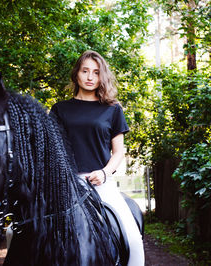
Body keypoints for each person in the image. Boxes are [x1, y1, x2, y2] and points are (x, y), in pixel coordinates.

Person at [50, 50, 145, 266]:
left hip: (102, 185)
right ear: (76, 75)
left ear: (102, 76)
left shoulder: (112, 110)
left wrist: (104, 172)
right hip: (65, 186)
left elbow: (119, 152)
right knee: (17, 232)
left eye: (95, 72)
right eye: (85, 71)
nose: (90, 77)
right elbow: (52, 150)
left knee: (133, 239)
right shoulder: (59, 109)